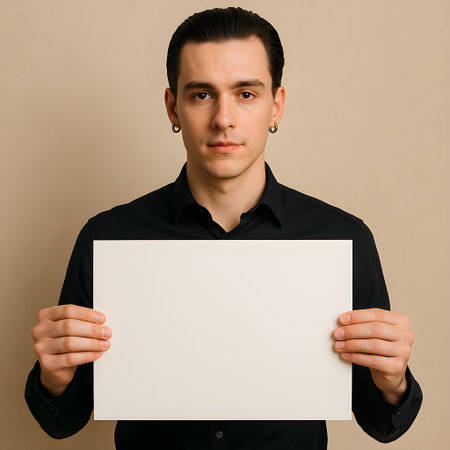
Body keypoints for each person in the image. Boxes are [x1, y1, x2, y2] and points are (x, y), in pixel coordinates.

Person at [25, 7, 422, 449]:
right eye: (201, 95)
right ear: (173, 107)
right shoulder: (107, 238)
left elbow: (383, 423)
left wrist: (393, 380)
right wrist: (54, 378)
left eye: (246, 94)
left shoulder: (343, 239)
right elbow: (62, 422)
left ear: (277, 105)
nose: (223, 119)